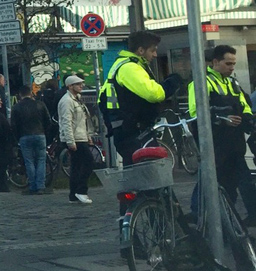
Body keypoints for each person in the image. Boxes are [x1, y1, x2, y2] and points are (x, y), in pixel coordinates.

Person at [187, 45, 256, 219]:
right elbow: (196, 113)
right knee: (215, 181)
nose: (232, 67)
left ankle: (235, 221)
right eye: (228, 63)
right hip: (214, 144)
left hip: (235, 143)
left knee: (239, 182)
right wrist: (222, 119)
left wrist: (246, 118)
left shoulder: (233, 82)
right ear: (215, 62)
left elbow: (245, 105)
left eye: (234, 63)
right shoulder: (201, 83)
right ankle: (204, 216)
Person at [98, 30, 182, 165]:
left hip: (128, 131)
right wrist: (172, 83)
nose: (155, 55)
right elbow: (154, 94)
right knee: (145, 175)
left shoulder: (125, 65)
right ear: (141, 50)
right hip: (134, 132)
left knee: (138, 177)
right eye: (153, 50)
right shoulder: (130, 68)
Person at [58, 75, 94, 204]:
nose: (81, 86)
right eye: (78, 84)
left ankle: (73, 194)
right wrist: (70, 141)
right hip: (75, 138)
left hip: (80, 136)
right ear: (70, 86)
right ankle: (81, 190)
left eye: (81, 83)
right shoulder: (67, 101)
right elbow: (66, 122)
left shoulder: (77, 100)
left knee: (76, 166)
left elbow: (82, 121)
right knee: (89, 162)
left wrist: (88, 136)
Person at [11, 85, 52, 195]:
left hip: (24, 136)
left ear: (20, 94)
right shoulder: (40, 104)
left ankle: (32, 186)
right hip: (40, 134)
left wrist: (17, 138)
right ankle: (41, 186)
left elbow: (13, 125)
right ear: (31, 93)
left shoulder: (16, 107)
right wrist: (45, 133)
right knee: (41, 160)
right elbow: (48, 121)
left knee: (29, 161)